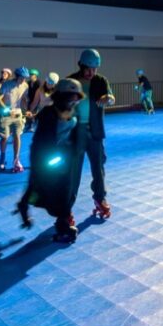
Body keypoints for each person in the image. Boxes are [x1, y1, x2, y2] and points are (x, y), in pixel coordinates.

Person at [15, 78, 86, 242]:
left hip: (63, 158)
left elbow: (77, 136)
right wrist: (42, 161)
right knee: (38, 184)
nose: (74, 101)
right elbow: (41, 141)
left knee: (65, 191)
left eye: (76, 97)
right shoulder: (48, 114)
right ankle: (24, 205)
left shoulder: (74, 113)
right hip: (45, 155)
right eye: (71, 97)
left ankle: (62, 224)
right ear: (61, 96)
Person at [69, 49, 116, 219]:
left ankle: (100, 198)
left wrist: (108, 99)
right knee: (73, 171)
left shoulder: (101, 80)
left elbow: (110, 97)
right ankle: (66, 207)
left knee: (98, 168)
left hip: (95, 132)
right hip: (76, 133)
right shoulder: (71, 81)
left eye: (95, 69)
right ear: (81, 65)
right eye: (88, 68)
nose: (92, 72)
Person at [0, 66, 31, 173]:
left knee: (17, 136)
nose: (24, 80)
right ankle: (2, 158)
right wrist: (6, 109)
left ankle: (16, 160)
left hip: (18, 115)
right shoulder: (7, 84)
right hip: (6, 115)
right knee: (5, 138)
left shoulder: (25, 86)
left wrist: (27, 110)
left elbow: (23, 100)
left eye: (25, 78)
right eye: (22, 78)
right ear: (17, 76)